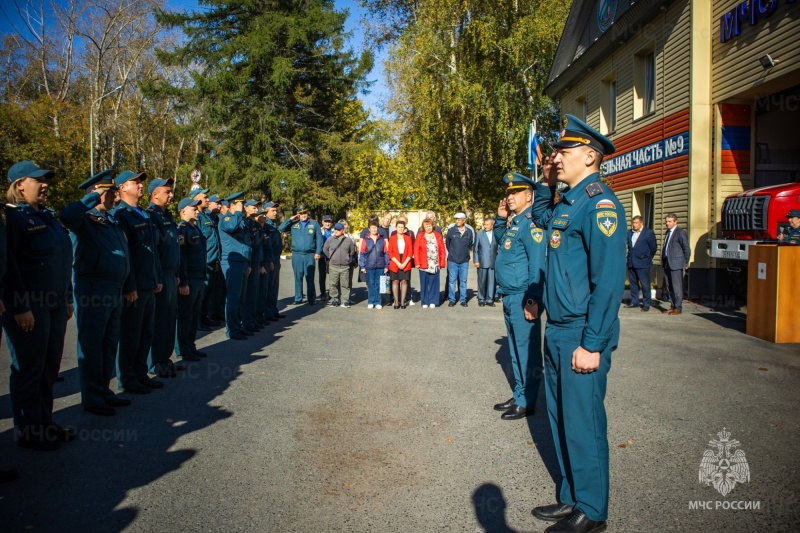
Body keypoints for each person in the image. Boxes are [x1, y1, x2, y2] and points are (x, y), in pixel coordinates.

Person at [530, 114, 625, 533]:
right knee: (561, 419)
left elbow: (607, 282)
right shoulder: (567, 202)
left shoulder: (600, 204)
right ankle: (571, 497)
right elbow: (538, 220)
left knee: (584, 422)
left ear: (590, 155)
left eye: (562, 152)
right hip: (559, 329)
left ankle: (593, 508)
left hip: (582, 330)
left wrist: (593, 342)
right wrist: (544, 183)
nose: (555, 158)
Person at [3, 161, 75, 450]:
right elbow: (8, 267)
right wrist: (19, 307)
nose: (45, 184)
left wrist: (67, 297)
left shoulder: (46, 216)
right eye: (38, 180)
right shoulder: (13, 219)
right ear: (20, 185)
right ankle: (29, 430)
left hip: (54, 303)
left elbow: (63, 258)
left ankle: (45, 422)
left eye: (46, 179)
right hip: (29, 304)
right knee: (29, 369)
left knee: (48, 367)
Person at [60, 170, 131, 416]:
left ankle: (104, 390)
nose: (114, 196)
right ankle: (92, 397)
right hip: (93, 289)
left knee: (109, 344)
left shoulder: (111, 220)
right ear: (97, 193)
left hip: (114, 289)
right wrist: (91, 198)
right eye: (109, 192)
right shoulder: (84, 218)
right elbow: (67, 215)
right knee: (92, 346)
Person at [492, 171, 553, 421]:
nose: (509, 197)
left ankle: (527, 400)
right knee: (516, 350)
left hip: (522, 296)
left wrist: (532, 299)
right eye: (508, 193)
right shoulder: (516, 223)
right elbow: (502, 242)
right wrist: (499, 219)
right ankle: (520, 393)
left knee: (527, 351)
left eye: (514, 192)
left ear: (529, 196)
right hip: (509, 295)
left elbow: (537, 264)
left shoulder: (532, 224)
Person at [112, 170, 163, 394]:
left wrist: (157, 277)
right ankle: (127, 377)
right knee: (131, 333)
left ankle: (140, 373)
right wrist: (130, 285)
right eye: (135, 182)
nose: (140, 186)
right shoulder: (121, 215)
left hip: (149, 282)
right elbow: (126, 254)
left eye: (141, 182)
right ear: (122, 187)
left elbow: (152, 251)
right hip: (135, 285)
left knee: (145, 332)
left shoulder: (142, 213)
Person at [148, 178, 182, 377]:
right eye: (167, 192)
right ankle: (155, 362)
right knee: (159, 321)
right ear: (155, 194)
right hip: (161, 276)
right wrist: (158, 276)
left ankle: (164, 359)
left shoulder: (167, 215)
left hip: (171, 275)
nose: (171, 195)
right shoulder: (152, 216)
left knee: (170, 320)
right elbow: (155, 251)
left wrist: (176, 274)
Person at [175, 198, 208, 362]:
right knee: (185, 316)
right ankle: (183, 348)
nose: (196, 210)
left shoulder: (196, 229)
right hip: (189, 280)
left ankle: (191, 345)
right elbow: (182, 258)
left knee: (195, 315)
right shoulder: (182, 230)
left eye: (196, 208)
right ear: (182, 211)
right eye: (192, 208)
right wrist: (184, 282)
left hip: (199, 277)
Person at [218, 192, 252, 340]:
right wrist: (237, 212)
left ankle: (238, 326)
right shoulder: (226, 219)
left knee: (241, 297)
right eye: (240, 204)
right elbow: (231, 228)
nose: (243, 207)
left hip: (243, 262)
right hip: (232, 262)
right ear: (232, 205)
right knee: (233, 297)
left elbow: (247, 243)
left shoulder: (240, 220)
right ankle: (232, 330)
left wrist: (248, 262)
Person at [278, 204, 323, 305]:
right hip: (297, 254)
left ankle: (311, 298)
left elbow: (319, 239)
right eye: (301, 213)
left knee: (310, 277)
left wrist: (318, 252)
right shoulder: (294, 223)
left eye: (305, 213)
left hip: (309, 255)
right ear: (297, 214)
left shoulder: (314, 224)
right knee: (298, 276)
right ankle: (298, 298)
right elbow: (281, 228)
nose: (303, 215)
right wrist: (290, 219)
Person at [199, 192, 224, 329]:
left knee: (210, 292)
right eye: (217, 203)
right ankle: (200, 319)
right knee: (203, 291)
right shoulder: (201, 217)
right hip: (206, 260)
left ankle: (205, 317)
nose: (219, 205)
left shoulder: (212, 217)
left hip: (214, 259)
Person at [661, 213, 690, 315]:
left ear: (675, 222)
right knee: (669, 286)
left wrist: (685, 262)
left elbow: (686, 248)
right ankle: (672, 306)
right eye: (666, 221)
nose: (667, 224)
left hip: (676, 263)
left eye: (669, 221)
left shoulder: (680, 232)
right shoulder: (667, 232)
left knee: (677, 286)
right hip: (667, 263)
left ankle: (678, 307)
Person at [626, 215, 657, 312]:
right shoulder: (630, 233)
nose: (634, 225)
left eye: (636, 223)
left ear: (641, 223)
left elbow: (653, 248)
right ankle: (634, 301)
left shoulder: (648, 233)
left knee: (645, 284)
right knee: (633, 284)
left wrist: (647, 258)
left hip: (643, 263)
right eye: (633, 223)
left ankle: (646, 303)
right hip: (632, 262)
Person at [322, 222, 357, 307]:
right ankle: (335, 299)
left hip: (345, 267)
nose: (336, 231)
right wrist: (331, 257)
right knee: (333, 284)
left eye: (338, 229)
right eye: (335, 229)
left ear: (343, 231)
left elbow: (352, 251)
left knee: (345, 284)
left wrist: (347, 259)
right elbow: (325, 250)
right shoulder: (330, 240)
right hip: (333, 266)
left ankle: (345, 300)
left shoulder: (348, 240)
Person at [414, 218, 446, 308]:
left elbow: (442, 250)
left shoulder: (438, 236)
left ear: (433, 226)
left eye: (429, 226)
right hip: (423, 263)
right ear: (423, 227)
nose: (428, 228)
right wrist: (417, 262)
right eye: (426, 226)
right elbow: (416, 250)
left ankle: (433, 301)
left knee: (434, 283)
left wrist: (442, 263)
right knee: (424, 283)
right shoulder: (420, 236)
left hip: (435, 263)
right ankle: (424, 302)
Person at [243, 199, 264, 331]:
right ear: (246, 208)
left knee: (254, 293)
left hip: (256, 261)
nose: (256, 209)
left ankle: (252, 319)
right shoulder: (246, 223)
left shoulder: (254, 223)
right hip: (251, 262)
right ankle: (247, 322)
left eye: (257, 207)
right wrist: (249, 263)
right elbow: (249, 245)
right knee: (249, 294)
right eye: (253, 207)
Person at [445, 212, 474, 307]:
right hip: (453, 260)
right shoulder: (451, 231)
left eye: (459, 219)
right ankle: (452, 299)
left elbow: (470, 244)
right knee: (452, 281)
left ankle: (463, 300)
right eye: (456, 219)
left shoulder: (469, 231)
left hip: (464, 261)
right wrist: (453, 253)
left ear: (464, 220)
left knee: (463, 281)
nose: (457, 221)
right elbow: (448, 244)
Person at [359, 219, 388, 309]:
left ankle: (378, 301)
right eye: (372, 228)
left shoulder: (382, 240)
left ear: (378, 228)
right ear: (369, 229)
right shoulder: (365, 240)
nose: (374, 230)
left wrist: (387, 265)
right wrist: (362, 266)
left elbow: (386, 253)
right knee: (371, 284)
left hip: (380, 265)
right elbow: (362, 253)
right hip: (369, 265)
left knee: (379, 284)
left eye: (375, 228)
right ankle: (371, 301)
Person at [263, 202, 285, 320]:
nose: (275, 213)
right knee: (269, 287)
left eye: (276, 210)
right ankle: (267, 312)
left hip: (276, 259)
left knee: (274, 287)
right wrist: (270, 260)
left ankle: (273, 309)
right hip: (270, 260)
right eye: (273, 211)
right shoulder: (265, 225)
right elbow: (267, 245)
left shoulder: (273, 224)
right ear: (266, 211)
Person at [387, 219, 414, 309]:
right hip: (395, 261)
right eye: (399, 227)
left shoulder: (408, 238)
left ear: (404, 228)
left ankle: (402, 302)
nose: (400, 229)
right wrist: (398, 263)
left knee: (404, 281)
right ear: (396, 228)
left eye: (402, 227)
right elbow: (390, 252)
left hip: (405, 260)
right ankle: (396, 301)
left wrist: (405, 263)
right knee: (395, 281)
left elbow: (410, 252)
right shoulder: (392, 238)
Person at [474, 216, 498, 307]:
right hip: (482, 261)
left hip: (493, 261)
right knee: (482, 281)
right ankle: (481, 299)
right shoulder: (479, 234)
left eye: (487, 224)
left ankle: (489, 299)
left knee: (492, 282)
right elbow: (475, 248)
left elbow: (498, 248)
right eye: (484, 224)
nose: (485, 226)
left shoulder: (496, 234)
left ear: (492, 225)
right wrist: (476, 260)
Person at [318, 215, 334, 301]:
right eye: (326, 221)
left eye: (329, 222)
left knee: (333, 277)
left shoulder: (334, 231)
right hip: (322, 257)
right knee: (322, 276)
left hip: (332, 258)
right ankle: (323, 293)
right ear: (322, 222)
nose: (328, 223)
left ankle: (331, 293)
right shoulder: (319, 231)